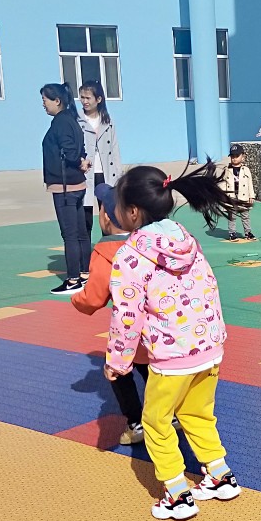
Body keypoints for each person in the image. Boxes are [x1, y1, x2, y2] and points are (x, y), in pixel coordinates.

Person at [105, 164, 247, 520]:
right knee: (198, 413)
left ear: (132, 211)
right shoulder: (186, 241)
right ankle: (220, 475)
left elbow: (127, 317)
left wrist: (118, 362)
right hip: (209, 347)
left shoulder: (130, 255)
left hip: (171, 357)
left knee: (156, 422)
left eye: (117, 204)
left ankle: (177, 494)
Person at [72, 181, 148, 446]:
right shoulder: (148, 242)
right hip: (160, 327)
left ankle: (136, 422)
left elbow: (93, 297)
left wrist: (78, 300)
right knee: (153, 369)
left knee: (118, 370)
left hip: (129, 328)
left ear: (105, 217)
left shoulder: (105, 252)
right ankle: (170, 413)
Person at [40, 82, 90, 295]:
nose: (43, 104)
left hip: (65, 187)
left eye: (45, 100)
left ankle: (73, 280)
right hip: (76, 184)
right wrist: (82, 161)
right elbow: (80, 147)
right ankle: (85, 274)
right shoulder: (72, 119)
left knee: (69, 234)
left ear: (57, 101)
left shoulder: (60, 122)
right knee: (80, 233)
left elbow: (70, 151)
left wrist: (79, 161)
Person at [77, 80, 123, 242]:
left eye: (88, 98)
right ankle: (85, 251)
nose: (84, 101)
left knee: (109, 213)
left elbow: (114, 149)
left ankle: (109, 247)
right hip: (85, 173)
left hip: (106, 173)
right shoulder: (77, 120)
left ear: (98, 99)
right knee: (86, 216)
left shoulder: (107, 120)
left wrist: (119, 175)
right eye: (82, 97)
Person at [220, 143, 255, 240]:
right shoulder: (227, 170)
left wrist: (251, 196)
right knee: (232, 216)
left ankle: (248, 232)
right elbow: (223, 183)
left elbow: (250, 183)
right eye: (232, 156)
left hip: (243, 197)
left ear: (243, 156)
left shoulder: (246, 170)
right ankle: (232, 233)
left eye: (237, 156)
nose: (234, 158)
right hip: (231, 197)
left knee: (245, 216)